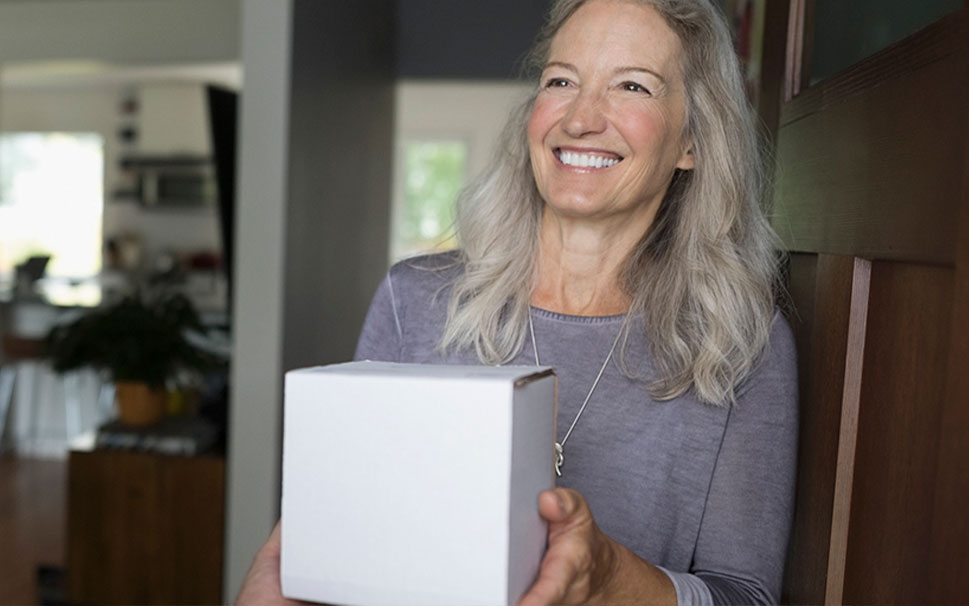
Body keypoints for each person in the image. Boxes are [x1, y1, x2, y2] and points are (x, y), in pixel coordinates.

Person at [237, 0, 797, 604]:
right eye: (561, 80)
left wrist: (611, 579)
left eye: (632, 85)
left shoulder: (744, 343)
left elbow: (745, 595)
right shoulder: (413, 300)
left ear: (691, 140)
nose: (581, 118)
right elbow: (352, 544)